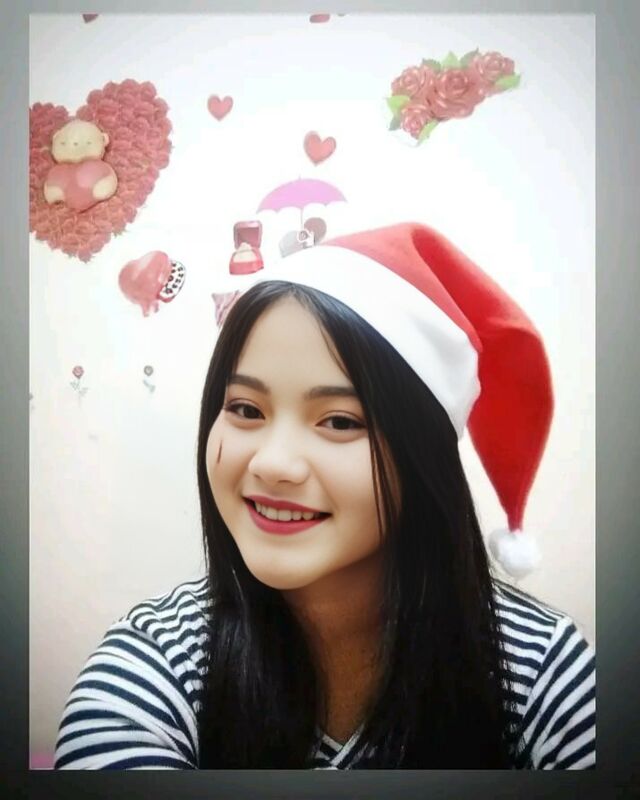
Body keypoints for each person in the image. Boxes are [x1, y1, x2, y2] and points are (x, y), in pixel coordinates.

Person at [53, 223, 595, 769]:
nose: (272, 463)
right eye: (245, 409)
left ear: (422, 455)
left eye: (338, 421)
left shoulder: (540, 673)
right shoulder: (157, 662)